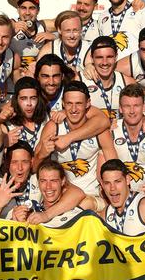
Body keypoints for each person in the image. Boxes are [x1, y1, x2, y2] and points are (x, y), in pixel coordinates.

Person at [34, 80, 117, 210]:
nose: (73, 109)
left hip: (90, 196)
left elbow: (114, 166)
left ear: (88, 104)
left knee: (82, 205)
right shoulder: (53, 127)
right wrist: (42, 154)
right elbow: (34, 168)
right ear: (62, 104)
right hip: (59, 196)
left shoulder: (99, 130)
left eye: (78, 104)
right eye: (69, 104)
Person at [0, 142, 84, 223]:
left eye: (24, 162)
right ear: (7, 163)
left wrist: (47, 215)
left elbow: (78, 193)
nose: (20, 168)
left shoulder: (38, 179)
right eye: (14, 162)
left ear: (31, 162)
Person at [113, 84, 145, 194]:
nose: (132, 111)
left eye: (136, 105)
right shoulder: (112, 131)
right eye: (127, 106)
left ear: (144, 107)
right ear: (120, 109)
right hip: (120, 195)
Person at [79, 36, 136, 123]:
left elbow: (138, 115)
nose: (104, 62)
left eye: (109, 57)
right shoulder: (80, 81)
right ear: (91, 58)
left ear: (116, 57)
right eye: (99, 57)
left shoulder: (128, 83)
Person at [10, 0, 54, 75]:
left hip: (36, 81)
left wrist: (54, 38)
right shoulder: (10, 25)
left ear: (38, 10)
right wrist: (11, 32)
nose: (27, 13)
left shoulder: (43, 26)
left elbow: (69, 21)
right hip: (15, 82)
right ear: (18, 9)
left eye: (32, 8)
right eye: (23, 8)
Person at [2, 76, 49, 149]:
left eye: (33, 98)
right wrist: (2, 144)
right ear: (16, 100)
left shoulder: (49, 118)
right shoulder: (6, 126)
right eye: (23, 99)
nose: (29, 103)